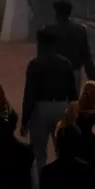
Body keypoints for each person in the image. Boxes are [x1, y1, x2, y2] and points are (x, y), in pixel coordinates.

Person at [21, 28, 76, 171]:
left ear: (41, 45)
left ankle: (40, 188)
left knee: (39, 154)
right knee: (63, 152)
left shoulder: (35, 64)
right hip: (62, 108)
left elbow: (29, 95)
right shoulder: (66, 63)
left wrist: (25, 121)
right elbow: (73, 94)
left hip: (41, 108)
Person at [44, 0, 95, 93]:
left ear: (56, 14)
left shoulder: (48, 30)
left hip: (54, 72)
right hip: (73, 72)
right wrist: (93, 78)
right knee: (72, 103)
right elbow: (86, 56)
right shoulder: (80, 30)